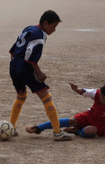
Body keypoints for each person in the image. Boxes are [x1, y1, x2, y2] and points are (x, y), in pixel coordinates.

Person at [8, 10, 73, 141]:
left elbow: (13, 50)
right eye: (53, 26)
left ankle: (12, 127)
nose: (54, 30)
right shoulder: (39, 36)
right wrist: (38, 72)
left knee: (21, 95)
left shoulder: (29, 29)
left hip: (14, 65)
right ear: (45, 23)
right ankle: (57, 131)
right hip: (25, 67)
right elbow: (29, 56)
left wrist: (16, 66)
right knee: (46, 97)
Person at [26, 83, 105, 141]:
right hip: (89, 116)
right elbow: (87, 92)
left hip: (101, 127)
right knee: (71, 120)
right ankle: (39, 128)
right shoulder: (99, 94)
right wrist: (76, 90)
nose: (100, 98)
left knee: (89, 130)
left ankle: (77, 131)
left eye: (103, 98)